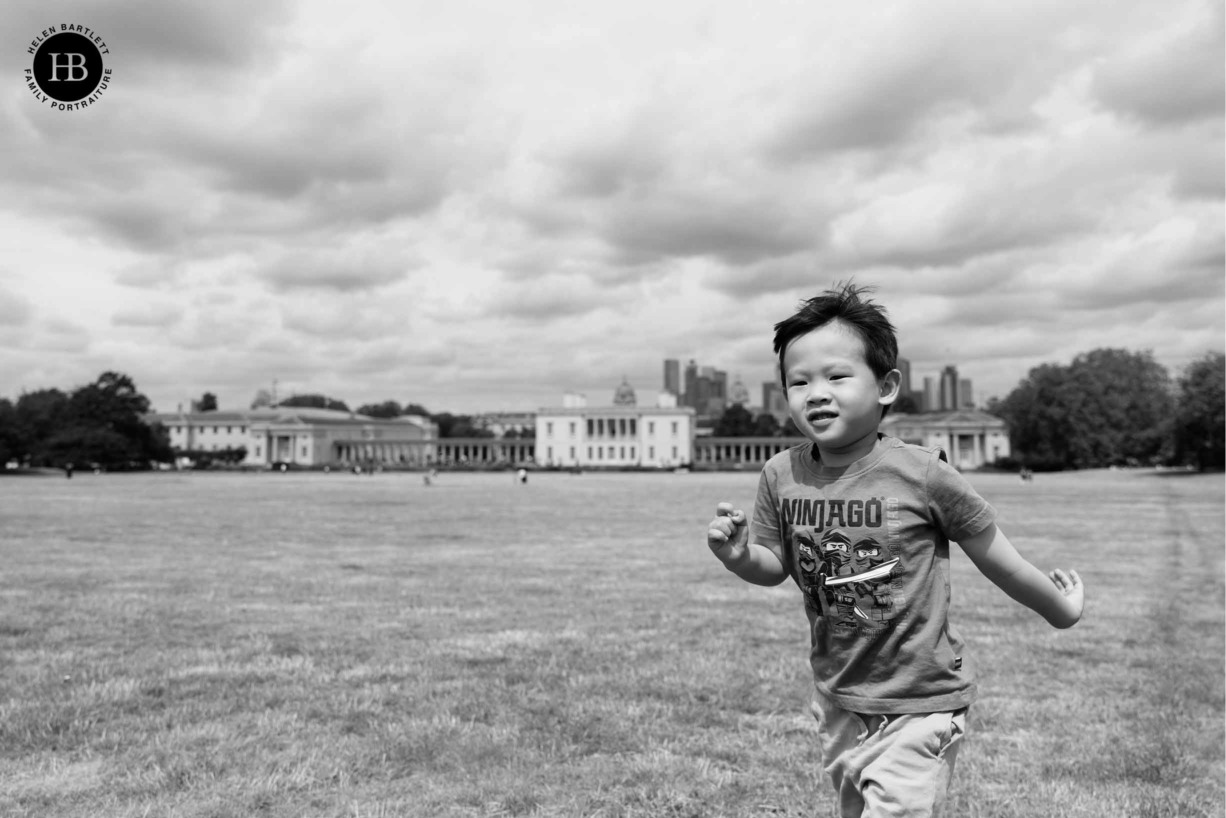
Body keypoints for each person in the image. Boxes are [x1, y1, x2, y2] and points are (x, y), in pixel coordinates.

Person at [706, 282, 1084, 818]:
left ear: (886, 386)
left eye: (837, 376)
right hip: (838, 696)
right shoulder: (781, 474)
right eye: (798, 382)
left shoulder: (924, 473)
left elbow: (1003, 562)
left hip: (919, 701)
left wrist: (1061, 609)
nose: (816, 393)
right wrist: (741, 556)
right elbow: (776, 567)